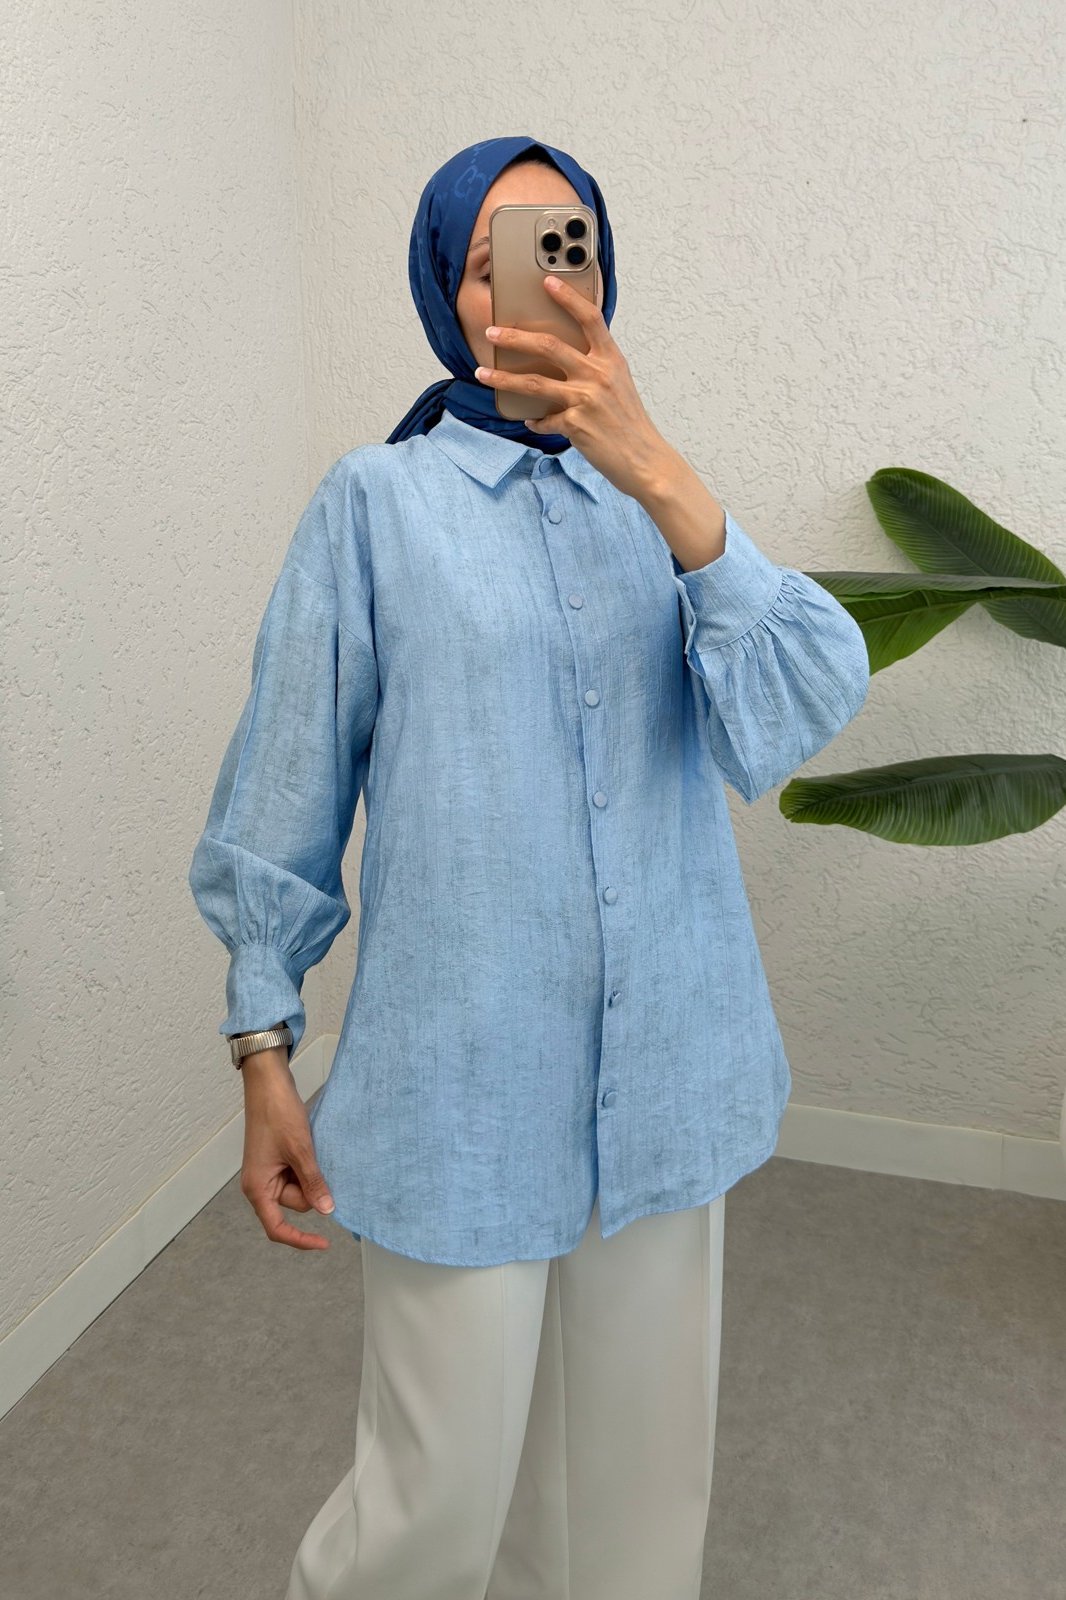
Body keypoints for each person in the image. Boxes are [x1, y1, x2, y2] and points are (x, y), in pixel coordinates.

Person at [188, 136, 870, 1600]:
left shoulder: (660, 508)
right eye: (503, 252)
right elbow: (281, 794)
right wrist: (263, 1045)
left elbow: (795, 711)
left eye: (573, 246)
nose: (545, 282)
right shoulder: (373, 505)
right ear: (450, 284)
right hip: (462, 1088)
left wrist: (662, 477)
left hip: (669, 1063)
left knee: (637, 1501)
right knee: (428, 1508)